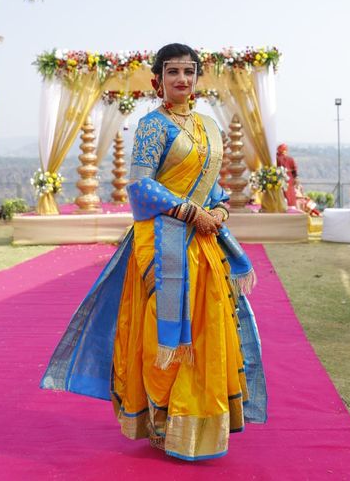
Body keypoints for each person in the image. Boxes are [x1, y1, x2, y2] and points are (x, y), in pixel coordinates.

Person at [40, 43, 267, 461]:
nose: (182, 79)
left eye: (189, 72)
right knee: (159, 332)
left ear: (198, 79)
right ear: (157, 80)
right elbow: (141, 186)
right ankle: (163, 422)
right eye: (173, 72)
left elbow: (215, 186)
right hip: (162, 243)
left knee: (208, 328)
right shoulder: (152, 126)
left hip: (203, 242)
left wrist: (218, 208)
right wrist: (189, 210)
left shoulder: (208, 127)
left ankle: (202, 420)